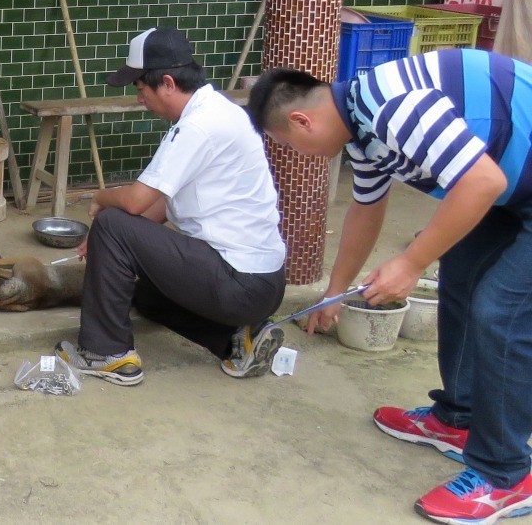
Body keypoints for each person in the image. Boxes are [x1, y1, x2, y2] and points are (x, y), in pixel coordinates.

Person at [247, 52, 532, 524]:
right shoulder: (362, 125)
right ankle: (458, 418)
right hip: (512, 190)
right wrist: (332, 294)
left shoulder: (392, 106)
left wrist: (411, 261)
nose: (298, 155)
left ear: (302, 120)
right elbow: (367, 210)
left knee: (500, 311)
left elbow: (482, 181)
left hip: (503, 186)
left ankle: (506, 476)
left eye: (290, 144)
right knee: (460, 275)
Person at [54, 26, 288, 386]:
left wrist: (100, 200)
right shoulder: (219, 110)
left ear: (166, 82)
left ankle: (106, 353)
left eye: (140, 89)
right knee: (139, 290)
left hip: (238, 280)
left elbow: (134, 202)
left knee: (113, 221)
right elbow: (162, 204)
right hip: (260, 282)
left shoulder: (199, 126)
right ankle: (236, 341)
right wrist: (109, 250)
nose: (139, 99)